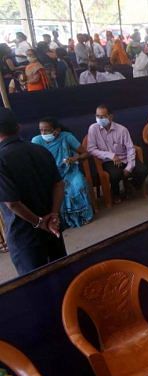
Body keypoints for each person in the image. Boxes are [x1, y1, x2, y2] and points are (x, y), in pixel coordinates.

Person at [0, 108, 66, 275]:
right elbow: (58, 184)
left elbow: (13, 203)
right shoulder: (40, 150)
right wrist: (54, 215)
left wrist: (38, 222)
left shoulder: (1, 159)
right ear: (18, 127)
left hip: (25, 235)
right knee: (63, 278)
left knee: (36, 287)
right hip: (53, 227)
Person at [31, 118, 93, 228]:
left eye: (47, 130)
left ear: (57, 130)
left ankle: (83, 216)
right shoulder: (36, 141)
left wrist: (74, 158)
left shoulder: (66, 137)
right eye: (41, 130)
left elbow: (86, 154)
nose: (43, 133)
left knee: (78, 185)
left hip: (70, 171)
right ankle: (64, 220)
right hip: (50, 175)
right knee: (55, 190)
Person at [87, 105, 148, 204]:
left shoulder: (122, 130)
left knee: (143, 170)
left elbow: (130, 148)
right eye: (97, 116)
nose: (99, 119)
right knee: (115, 174)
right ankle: (115, 193)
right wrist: (110, 155)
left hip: (124, 158)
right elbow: (91, 149)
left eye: (102, 116)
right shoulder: (93, 129)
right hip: (108, 160)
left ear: (110, 117)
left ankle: (131, 185)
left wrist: (129, 167)